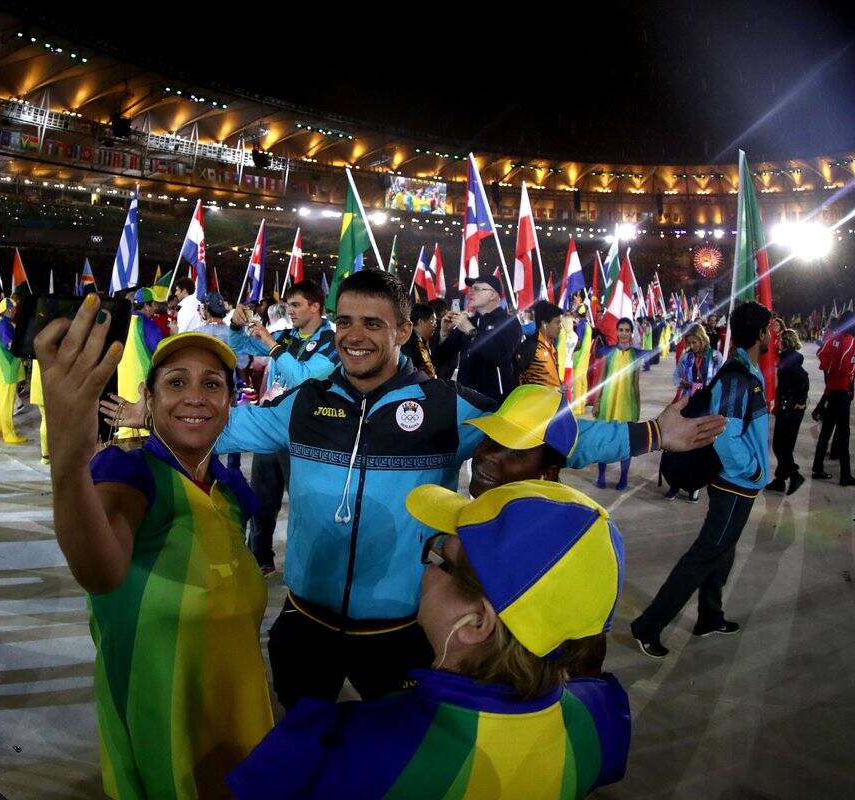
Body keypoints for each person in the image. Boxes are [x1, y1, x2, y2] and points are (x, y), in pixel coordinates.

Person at [107, 270, 725, 710]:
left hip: (401, 634)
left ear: (403, 331)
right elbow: (218, 421)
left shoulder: (444, 407)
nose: (355, 335)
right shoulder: (304, 404)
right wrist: (149, 411)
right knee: (299, 747)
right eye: (346, 320)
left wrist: (650, 433)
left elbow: (547, 434)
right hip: (304, 625)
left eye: (373, 323)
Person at [228, 479, 630, 800]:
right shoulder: (599, 717)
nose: (426, 569)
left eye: (442, 559)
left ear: (477, 622)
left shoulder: (334, 746)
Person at [39, 305, 273, 800]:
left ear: (232, 401)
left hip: (241, 729)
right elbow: (100, 569)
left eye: (213, 385)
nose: (196, 397)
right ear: (146, 397)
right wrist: (68, 463)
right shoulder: (129, 474)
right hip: (162, 736)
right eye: (176, 383)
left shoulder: (231, 490)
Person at [631, 301, 773, 659]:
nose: (770, 336)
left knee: (722, 552)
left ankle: (710, 616)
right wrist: (753, 470)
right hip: (735, 484)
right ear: (759, 334)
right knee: (706, 554)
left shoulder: (746, 371)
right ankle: (648, 626)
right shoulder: (739, 377)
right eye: (767, 330)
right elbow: (726, 435)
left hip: (739, 483)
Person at [227, 278, 338, 574]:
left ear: (316, 307)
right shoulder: (288, 336)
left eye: (296, 305)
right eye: (288, 304)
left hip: (303, 435)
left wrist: (270, 342)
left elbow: (303, 376)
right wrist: (237, 326)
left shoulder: (331, 343)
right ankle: (259, 558)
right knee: (262, 499)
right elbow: (236, 344)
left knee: (303, 505)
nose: (290, 310)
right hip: (270, 427)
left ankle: (308, 567)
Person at [435, 275, 522, 402]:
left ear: (492, 295)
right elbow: (442, 359)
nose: (470, 292)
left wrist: (471, 331)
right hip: (466, 399)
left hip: (496, 401)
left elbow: (499, 356)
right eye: (471, 288)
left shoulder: (508, 322)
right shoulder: (469, 322)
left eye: (476, 289)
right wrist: (444, 333)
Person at [664, 322, 723, 501]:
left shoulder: (715, 357)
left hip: (705, 408)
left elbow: (719, 382)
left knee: (699, 448)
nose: (692, 346)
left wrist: (702, 387)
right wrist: (685, 384)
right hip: (688, 405)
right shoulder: (686, 357)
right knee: (679, 446)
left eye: (695, 342)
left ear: (702, 339)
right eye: (689, 342)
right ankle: (675, 483)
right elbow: (676, 377)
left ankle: (694, 487)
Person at [592, 317, 643, 490]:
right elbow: (602, 379)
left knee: (624, 442)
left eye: (627, 330)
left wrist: (638, 407)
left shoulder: (636, 355)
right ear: (617, 332)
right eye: (621, 330)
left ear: (631, 333)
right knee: (604, 439)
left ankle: (623, 477)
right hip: (608, 402)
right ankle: (601, 476)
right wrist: (597, 402)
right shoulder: (609, 352)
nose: (623, 333)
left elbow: (636, 384)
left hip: (627, 404)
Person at [811, 310, 854, 485]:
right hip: (842, 391)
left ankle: (818, 467)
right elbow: (846, 367)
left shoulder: (833, 338)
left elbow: (821, 355)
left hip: (831, 389)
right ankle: (845, 475)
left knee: (826, 432)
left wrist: (830, 370)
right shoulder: (850, 341)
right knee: (843, 434)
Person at [768, 328, 809, 495]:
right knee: (783, 446)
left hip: (790, 410)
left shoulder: (789, 360)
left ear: (785, 342)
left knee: (781, 446)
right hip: (788, 408)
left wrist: (800, 400)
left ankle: (793, 474)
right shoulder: (788, 359)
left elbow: (803, 378)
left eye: (779, 339)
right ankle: (780, 480)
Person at [0, 298, 27, 444]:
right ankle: (9, 434)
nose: (16, 311)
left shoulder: (0, 323)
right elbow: (11, 345)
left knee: (1, 402)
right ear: (9, 309)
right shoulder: (5, 324)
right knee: (7, 403)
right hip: (7, 369)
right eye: (14, 308)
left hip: (1, 369)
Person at [517, 300, 563, 388]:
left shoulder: (552, 347)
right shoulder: (531, 346)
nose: (560, 326)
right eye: (557, 322)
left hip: (555, 399)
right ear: (544, 324)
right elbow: (519, 377)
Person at [401, 303, 438, 378]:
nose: (435, 325)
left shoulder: (421, 341)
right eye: (432, 320)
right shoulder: (409, 343)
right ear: (420, 322)